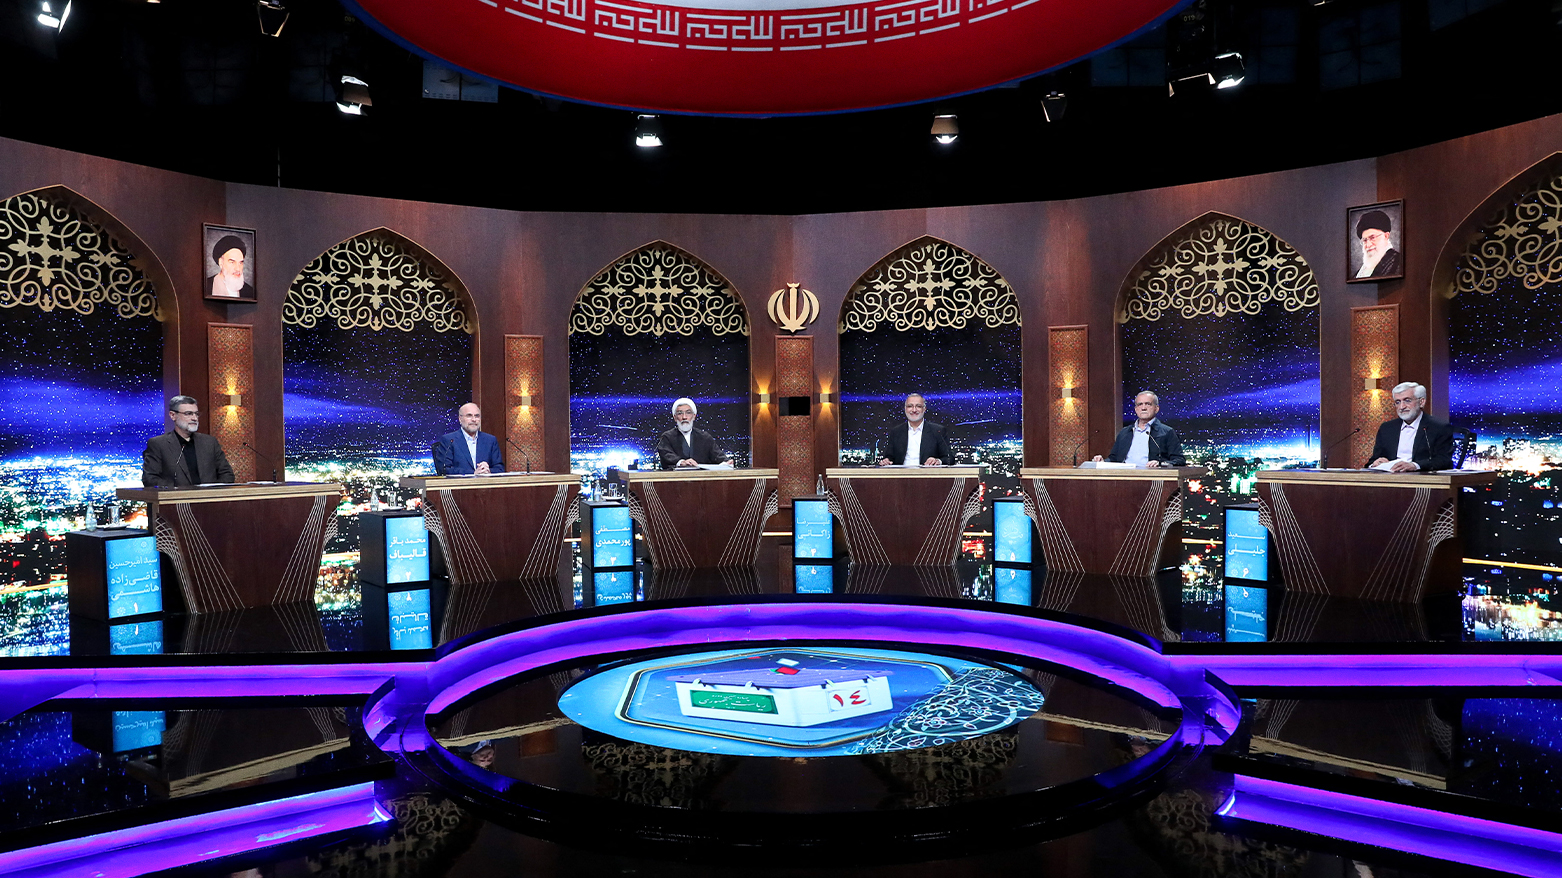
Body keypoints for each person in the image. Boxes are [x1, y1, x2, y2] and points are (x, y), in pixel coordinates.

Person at [142, 395, 237, 487]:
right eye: (188, 413)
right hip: (176, 501)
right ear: (173, 415)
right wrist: (181, 492)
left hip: (208, 500)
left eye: (196, 414)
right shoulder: (158, 444)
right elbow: (150, 479)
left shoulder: (209, 442)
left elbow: (227, 475)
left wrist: (211, 493)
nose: (194, 418)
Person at [1366, 382, 1454, 472]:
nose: (1402, 407)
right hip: (1390, 479)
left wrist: (1415, 466)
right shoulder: (1387, 428)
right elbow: (1373, 460)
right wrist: (1375, 463)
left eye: (1407, 400)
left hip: (1422, 480)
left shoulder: (1439, 427)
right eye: (1397, 402)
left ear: (1421, 402)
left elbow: (1444, 461)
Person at [1095, 391, 1185, 468]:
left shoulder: (1167, 432)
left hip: (1153, 479)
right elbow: (1114, 459)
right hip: (1123, 478)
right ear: (1136, 409)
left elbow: (1179, 460)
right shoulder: (1125, 432)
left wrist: (1160, 464)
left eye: (1148, 404)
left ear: (1156, 409)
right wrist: (1103, 462)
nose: (1143, 408)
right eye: (1140, 404)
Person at [878, 393, 954, 467]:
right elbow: (889, 457)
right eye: (910, 406)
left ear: (924, 409)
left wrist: (937, 461)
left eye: (918, 406)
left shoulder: (938, 431)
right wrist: (887, 460)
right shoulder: (896, 431)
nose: (914, 410)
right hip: (901, 476)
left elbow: (949, 458)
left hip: (927, 476)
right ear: (905, 409)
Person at [655, 397, 729, 469]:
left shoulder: (705, 437)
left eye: (688, 413)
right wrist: (681, 462)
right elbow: (666, 455)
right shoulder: (667, 437)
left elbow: (718, 456)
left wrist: (726, 463)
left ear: (694, 416)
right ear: (675, 417)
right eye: (680, 413)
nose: (684, 417)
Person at [433, 403, 505, 475]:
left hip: (485, 484)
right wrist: (473, 473)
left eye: (477, 416)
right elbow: (444, 470)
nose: (474, 420)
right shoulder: (449, 440)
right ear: (460, 419)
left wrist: (488, 470)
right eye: (469, 416)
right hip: (459, 485)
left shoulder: (490, 440)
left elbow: (500, 468)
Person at [1354, 210, 1402, 279]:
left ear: (1386, 236)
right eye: (1365, 240)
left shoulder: (1397, 262)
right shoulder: (1362, 271)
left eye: (1372, 238)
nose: (1368, 244)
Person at [208, 234, 256, 299]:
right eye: (232, 262)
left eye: (240, 263)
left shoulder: (250, 292)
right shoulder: (206, 286)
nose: (237, 268)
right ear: (221, 263)